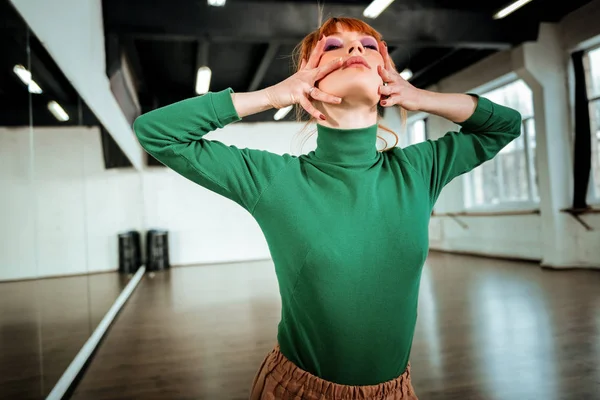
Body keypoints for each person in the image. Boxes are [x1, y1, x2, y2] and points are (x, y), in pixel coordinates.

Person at [133, 16, 521, 400]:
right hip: (298, 391)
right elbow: (156, 132)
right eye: (334, 47)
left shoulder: (418, 170)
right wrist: (273, 96)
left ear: (386, 73)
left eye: (369, 47)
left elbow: (506, 125)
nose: (355, 49)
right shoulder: (276, 179)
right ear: (309, 81)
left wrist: (419, 98)